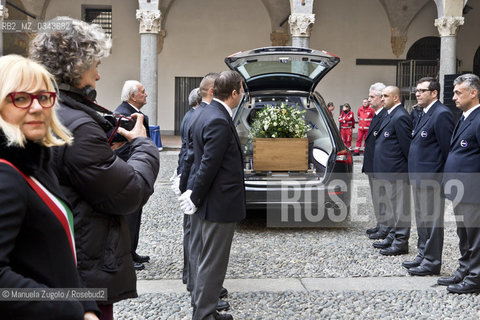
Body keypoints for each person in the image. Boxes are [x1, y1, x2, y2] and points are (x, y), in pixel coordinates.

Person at [30, 17, 160, 319]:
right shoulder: (78, 125)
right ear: (76, 66)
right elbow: (130, 193)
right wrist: (142, 144)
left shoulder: (48, 110)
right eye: (94, 65)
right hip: (83, 269)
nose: (98, 76)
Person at [0, 55, 99, 320]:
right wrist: (69, 309)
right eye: (20, 98)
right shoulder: (6, 175)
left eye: (43, 97)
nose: (36, 108)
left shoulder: (36, 163)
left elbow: (58, 256)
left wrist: (86, 305)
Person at [179, 70, 246, 320]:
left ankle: (202, 308)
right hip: (218, 201)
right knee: (213, 263)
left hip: (209, 198)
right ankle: (205, 314)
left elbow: (197, 158)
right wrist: (195, 196)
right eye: (241, 90)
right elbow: (209, 163)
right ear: (233, 93)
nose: (241, 95)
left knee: (204, 257)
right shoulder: (217, 117)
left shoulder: (205, 111)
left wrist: (192, 193)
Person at [404, 77, 454, 276]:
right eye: (416, 90)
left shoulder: (441, 114)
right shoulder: (423, 113)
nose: (417, 94)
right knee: (422, 219)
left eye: (422, 90)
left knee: (432, 221)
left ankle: (432, 261)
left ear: (434, 93)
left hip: (432, 178)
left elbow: (446, 149)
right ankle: (423, 254)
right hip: (419, 177)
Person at [441, 74, 480, 293]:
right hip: (460, 190)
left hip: (474, 191)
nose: (454, 97)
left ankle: (475, 278)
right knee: (463, 234)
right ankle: (464, 270)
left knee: (475, 236)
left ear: (473, 93)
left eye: (458, 92)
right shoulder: (465, 117)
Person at [115, 80, 151, 271]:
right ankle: (126, 255)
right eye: (143, 92)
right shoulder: (122, 114)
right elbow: (118, 148)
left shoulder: (135, 113)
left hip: (135, 170)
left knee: (135, 214)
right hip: (128, 171)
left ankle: (132, 250)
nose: (146, 95)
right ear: (132, 96)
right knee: (129, 215)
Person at [372, 86, 412, 256]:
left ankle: (401, 241)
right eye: (381, 96)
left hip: (396, 172)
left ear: (396, 98)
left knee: (400, 209)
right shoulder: (391, 115)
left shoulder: (401, 116)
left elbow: (406, 147)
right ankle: (392, 236)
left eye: (386, 96)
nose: (382, 99)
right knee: (391, 207)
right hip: (386, 171)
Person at [172, 87, 201, 289]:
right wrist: (183, 185)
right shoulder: (195, 118)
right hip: (191, 181)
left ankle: (188, 274)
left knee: (189, 232)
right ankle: (192, 278)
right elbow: (189, 154)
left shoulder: (189, 115)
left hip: (187, 178)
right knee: (192, 234)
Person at [362, 83, 388, 240]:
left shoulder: (385, 115)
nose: (369, 99)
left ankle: (385, 227)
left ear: (381, 97)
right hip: (373, 164)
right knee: (376, 197)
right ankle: (380, 224)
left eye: (372, 97)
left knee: (383, 197)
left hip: (381, 166)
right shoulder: (377, 114)